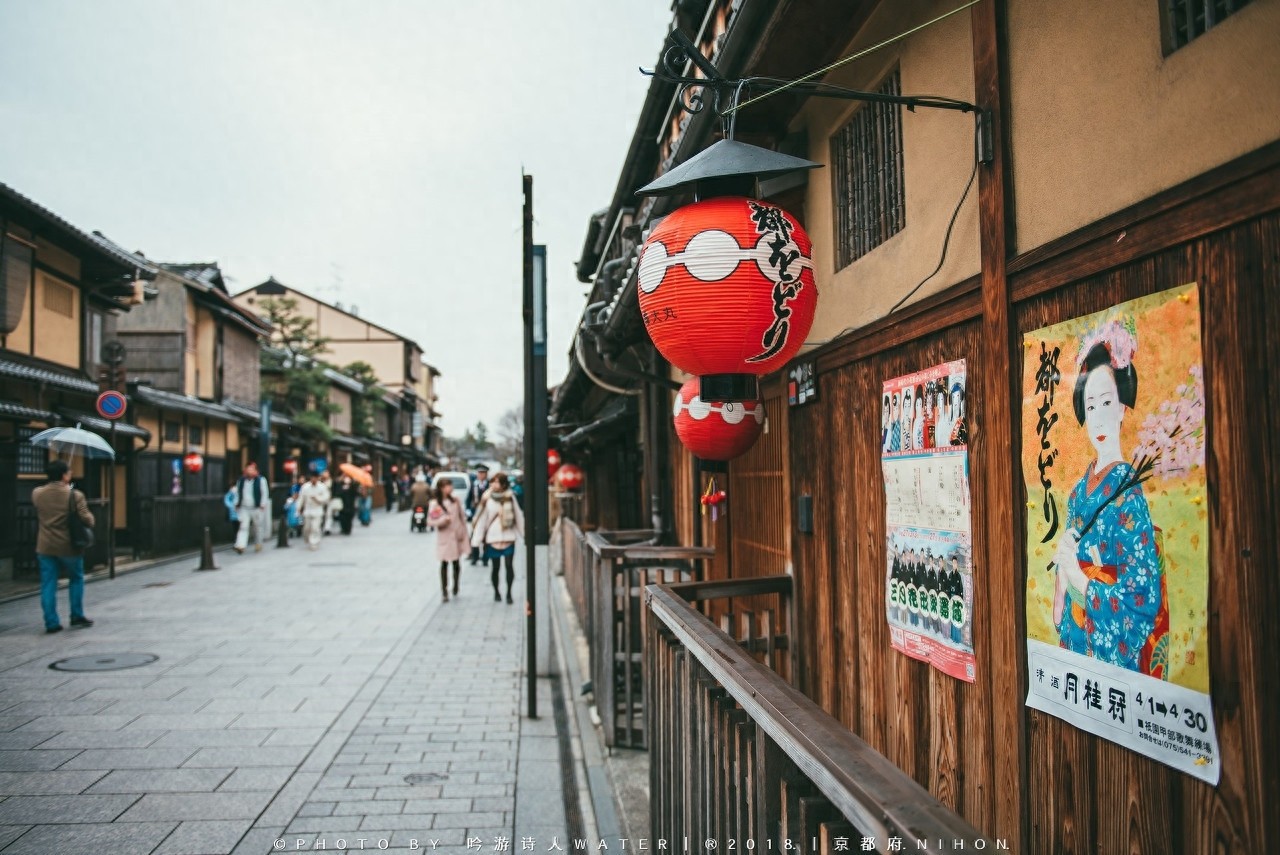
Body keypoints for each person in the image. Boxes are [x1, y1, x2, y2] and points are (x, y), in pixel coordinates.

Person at [1051, 333, 1167, 675]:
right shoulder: (1076, 494)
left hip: (1108, 657)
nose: (1098, 418)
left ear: (1121, 407)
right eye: (1090, 407)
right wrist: (1064, 573)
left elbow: (1142, 601)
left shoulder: (1129, 491)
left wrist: (1083, 581)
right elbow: (1060, 609)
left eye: (1106, 403)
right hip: (1074, 644)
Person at [32, 461, 94, 633]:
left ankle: (51, 622)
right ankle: (76, 615)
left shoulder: (37, 493)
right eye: (69, 472)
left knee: (48, 583)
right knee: (76, 578)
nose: (71, 474)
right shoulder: (75, 496)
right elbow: (88, 520)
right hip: (69, 546)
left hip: (45, 545)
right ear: (64, 475)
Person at [470, 471, 524, 603]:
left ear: (503, 483)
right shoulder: (487, 498)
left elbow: (518, 517)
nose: (494, 484)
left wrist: (524, 535)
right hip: (492, 538)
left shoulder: (510, 496)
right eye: (492, 481)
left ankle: (509, 593)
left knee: (509, 566)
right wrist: (477, 539)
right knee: (495, 567)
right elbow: (482, 519)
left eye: (497, 481)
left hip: (508, 536)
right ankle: (496, 591)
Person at [428, 478, 469, 601]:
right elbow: (430, 521)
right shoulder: (435, 504)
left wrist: (464, 533)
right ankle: (444, 590)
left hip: (456, 536)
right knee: (444, 564)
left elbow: (462, 517)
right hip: (444, 538)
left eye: (450, 486)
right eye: (447, 486)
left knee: (456, 563)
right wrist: (443, 520)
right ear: (441, 488)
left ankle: (456, 584)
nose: (449, 488)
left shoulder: (455, 501)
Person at [233, 462, 271, 554]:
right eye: (248, 469)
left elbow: (264, 493)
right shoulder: (241, 481)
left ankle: (258, 543)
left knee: (257, 527)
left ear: (256, 471)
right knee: (243, 526)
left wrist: (263, 504)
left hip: (256, 507)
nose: (249, 471)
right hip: (244, 507)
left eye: (252, 469)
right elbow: (238, 493)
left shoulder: (261, 480)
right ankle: (240, 545)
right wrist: (236, 503)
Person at [297, 471, 331, 551]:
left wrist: (317, 499)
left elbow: (326, 498)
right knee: (307, 528)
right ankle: (307, 538)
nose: (314, 479)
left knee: (315, 527)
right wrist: (298, 507)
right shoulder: (305, 487)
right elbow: (301, 498)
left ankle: (314, 542)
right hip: (308, 510)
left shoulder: (322, 487)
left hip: (317, 510)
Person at [464, 464, 491, 564]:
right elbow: (468, 499)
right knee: (474, 536)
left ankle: (485, 558)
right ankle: (474, 557)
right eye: (479, 473)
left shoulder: (490, 485)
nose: (481, 475)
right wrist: (468, 510)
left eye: (483, 473)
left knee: (486, 537)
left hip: (487, 514)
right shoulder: (474, 484)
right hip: (476, 514)